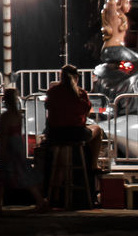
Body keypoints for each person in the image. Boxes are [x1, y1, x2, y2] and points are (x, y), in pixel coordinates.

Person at [43, 64, 103, 203]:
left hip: (55, 134)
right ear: (76, 78)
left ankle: (54, 195)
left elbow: (48, 107)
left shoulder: (53, 91)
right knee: (97, 129)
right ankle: (94, 164)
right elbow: (86, 113)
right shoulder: (81, 92)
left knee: (61, 160)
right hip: (75, 134)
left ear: (60, 77)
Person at [0, 87, 49, 213]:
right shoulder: (18, 115)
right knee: (23, 174)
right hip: (17, 145)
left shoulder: (6, 116)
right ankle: (40, 200)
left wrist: (2, 149)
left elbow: (5, 134)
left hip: (9, 147)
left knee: (1, 177)